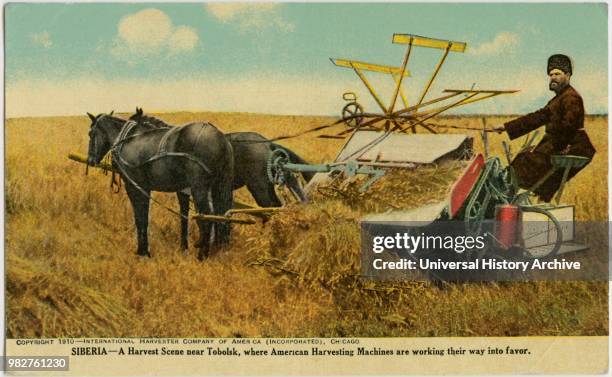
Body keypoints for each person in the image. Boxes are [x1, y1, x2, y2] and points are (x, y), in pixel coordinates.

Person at [493, 54, 595, 202]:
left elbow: (568, 128)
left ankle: (506, 198)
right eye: (551, 74)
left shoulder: (571, 98)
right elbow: (537, 117)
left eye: (557, 74)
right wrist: (505, 127)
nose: (553, 77)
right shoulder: (558, 98)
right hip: (562, 145)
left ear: (567, 75)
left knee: (525, 162)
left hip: (574, 147)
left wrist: (553, 148)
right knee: (532, 168)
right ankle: (528, 200)